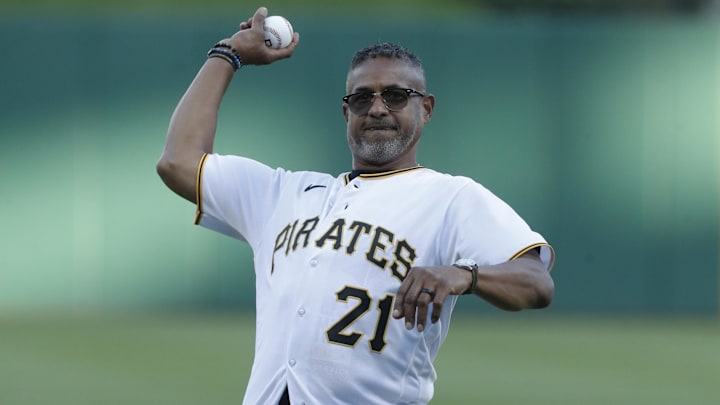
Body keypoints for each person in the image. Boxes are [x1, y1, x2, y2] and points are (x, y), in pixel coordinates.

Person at [157, 6, 555, 405]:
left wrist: (465, 274)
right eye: (362, 98)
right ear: (347, 113)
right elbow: (178, 161)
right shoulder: (282, 194)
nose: (378, 108)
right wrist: (227, 54)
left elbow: (536, 282)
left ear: (427, 108)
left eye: (397, 96)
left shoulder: (450, 197)